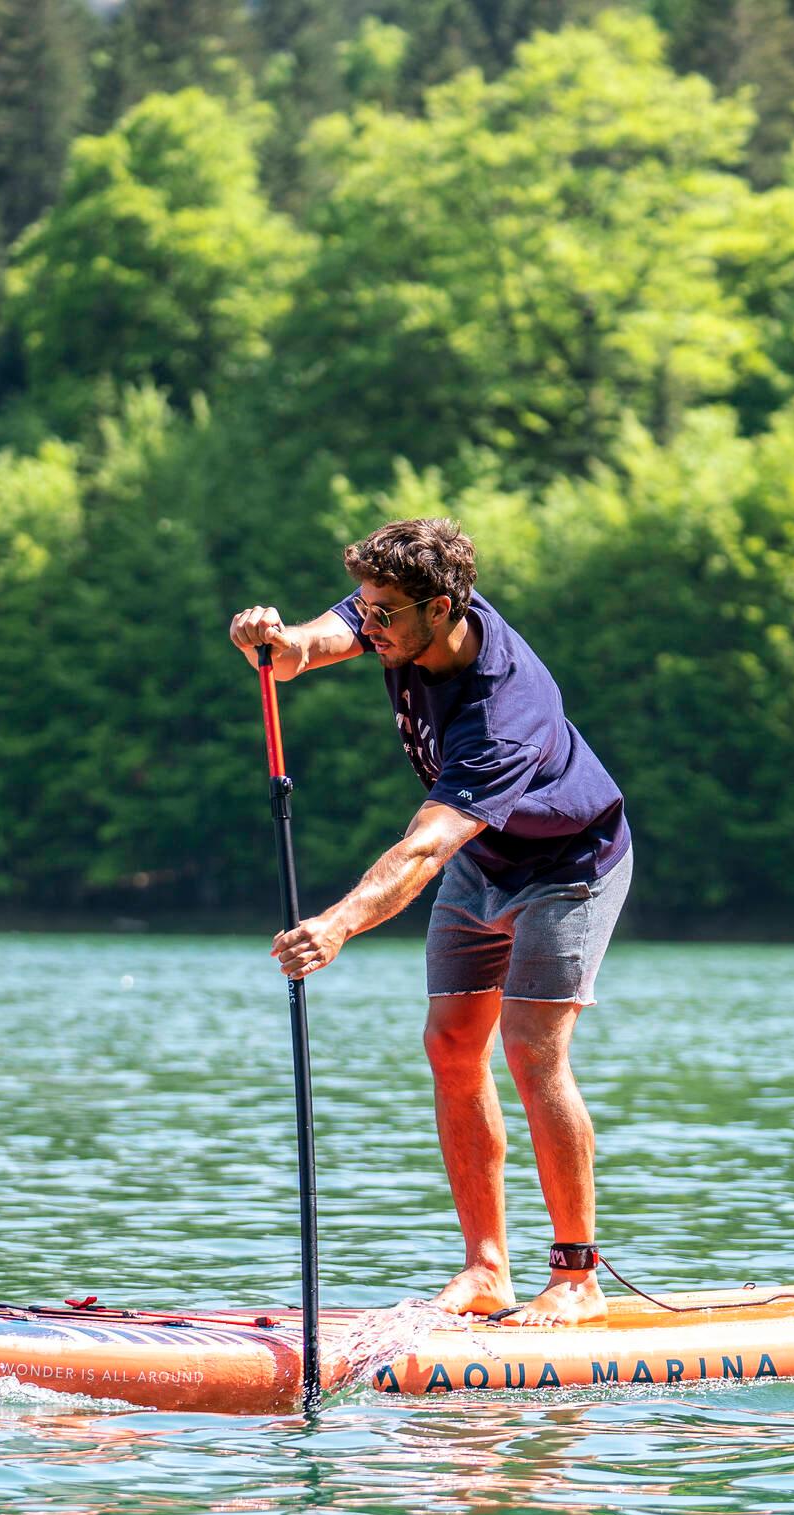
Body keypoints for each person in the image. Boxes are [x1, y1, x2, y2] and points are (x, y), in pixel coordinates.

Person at [229, 517, 633, 1328]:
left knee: (528, 1048)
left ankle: (578, 1276)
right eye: (367, 606)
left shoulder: (505, 707)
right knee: (451, 1045)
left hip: (567, 868)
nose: (369, 623)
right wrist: (276, 644)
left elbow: (422, 850)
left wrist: (338, 925)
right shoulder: (399, 612)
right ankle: (488, 1270)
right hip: (485, 865)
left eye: (385, 614)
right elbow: (317, 641)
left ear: (441, 606)